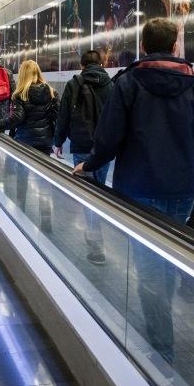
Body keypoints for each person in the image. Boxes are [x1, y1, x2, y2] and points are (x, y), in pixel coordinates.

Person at [73, 18, 194, 365]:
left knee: (148, 267)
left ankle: (161, 348)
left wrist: (90, 164)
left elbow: (109, 137)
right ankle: (161, 333)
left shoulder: (127, 83)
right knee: (166, 260)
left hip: (137, 188)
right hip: (183, 191)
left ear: (143, 46)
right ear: (174, 47)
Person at [53, 50, 114, 264]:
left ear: (82, 65)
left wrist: (58, 142)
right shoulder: (111, 84)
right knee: (99, 186)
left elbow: (64, 115)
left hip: (80, 144)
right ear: (101, 63)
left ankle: (96, 244)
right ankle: (99, 230)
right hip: (104, 148)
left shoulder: (74, 83)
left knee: (88, 193)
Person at [0, 59, 57, 228]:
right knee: (44, 182)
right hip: (45, 143)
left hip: (24, 143)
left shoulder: (20, 95)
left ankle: (20, 213)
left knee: (22, 180)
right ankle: (46, 221)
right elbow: (56, 117)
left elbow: (16, 119)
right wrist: (55, 139)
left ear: (23, 74)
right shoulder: (51, 92)